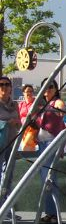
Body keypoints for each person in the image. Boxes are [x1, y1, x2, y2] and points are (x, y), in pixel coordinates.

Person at [36, 78, 66, 224]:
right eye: (45, 87)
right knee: (45, 178)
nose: (48, 90)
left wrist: (61, 110)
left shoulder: (55, 103)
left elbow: (62, 108)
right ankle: (50, 212)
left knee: (49, 177)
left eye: (51, 87)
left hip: (50, 144)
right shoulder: (42, 105)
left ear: (55, 89)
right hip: (42, 144)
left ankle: (53, 213)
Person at [0, 76, 21, 216]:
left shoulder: (14, 105)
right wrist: (7, 123)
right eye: (1, 84)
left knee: (8, 176)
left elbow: (19, 123)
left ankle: (5, 208)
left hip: (11, 144)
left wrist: (17, 122)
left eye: (7, 84)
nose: (4, 87)